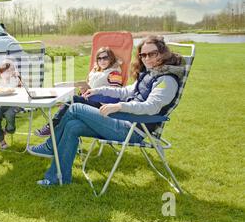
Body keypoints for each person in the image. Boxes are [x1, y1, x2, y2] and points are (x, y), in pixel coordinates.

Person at [29, 35, 185, 185]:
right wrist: (98, 91)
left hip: (133, 130)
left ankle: (50, 146)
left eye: (152, 54)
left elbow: (151, 107)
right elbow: (125, 91)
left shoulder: (167, 80)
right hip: (122, 120)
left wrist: (119, 106)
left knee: (75, 107)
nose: (146, 58)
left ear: (163, 53)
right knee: (72, 126)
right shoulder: (150, 74)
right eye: (143, 55)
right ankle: (58, 178)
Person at [34, 47, 123, 137]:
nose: (102, 61)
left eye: (105, 58)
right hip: (90, 101)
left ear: (111, 58)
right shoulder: (96, 72)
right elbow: (88, 86)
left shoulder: (114, 74)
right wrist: (83, 91)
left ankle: (51, 127)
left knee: (72, 100)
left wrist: (93, 94)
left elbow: (115, 95)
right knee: (67, 108)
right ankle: (54, 137)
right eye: (99, 58)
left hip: (102, 105)